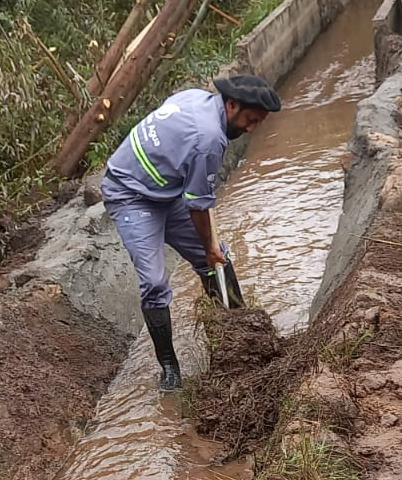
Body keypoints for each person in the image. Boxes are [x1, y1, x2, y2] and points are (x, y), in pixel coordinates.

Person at [100, 74, 281, 391]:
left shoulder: (196, 97)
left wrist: (212, 250)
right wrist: (209, 246)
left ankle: (239, 330)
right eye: (251, 120)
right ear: (232, 105)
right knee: (155, 282)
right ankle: (170, 367)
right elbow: (198, 206)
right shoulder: (208, 139)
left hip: (167, 190)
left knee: (217, 258)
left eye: (257, 123)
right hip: (130, 195)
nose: (251, 129)